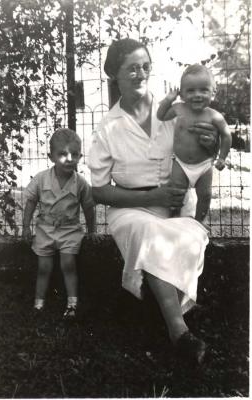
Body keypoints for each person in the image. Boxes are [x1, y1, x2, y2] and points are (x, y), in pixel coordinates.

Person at [88, 38, 218, 364]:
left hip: (174, 202)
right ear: (113, 75)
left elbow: (200, 154)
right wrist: (150, 196)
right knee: (149, 232)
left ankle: (152, 302)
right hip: (130, 208)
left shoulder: (172, 112)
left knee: (187, 232)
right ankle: (179, 332)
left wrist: (210, 141)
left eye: (145, 66)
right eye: (131, 68)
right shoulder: (108, 128)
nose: (140, 73)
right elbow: (99, 191)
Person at [23, 128, 96, 320]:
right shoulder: (41, 179)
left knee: (68, 263)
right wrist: (25, 226)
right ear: (51, 156)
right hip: (45, 229)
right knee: (44, 267)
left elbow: (89, 207)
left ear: (80, 156)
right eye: (62, 154)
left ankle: (72, 304)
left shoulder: (80, 183)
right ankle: (38, 304)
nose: (69, 158)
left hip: (69, 230)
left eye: (74, 154)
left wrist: (92, 231)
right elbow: (30, 201)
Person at [157, 64, 232, 221]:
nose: (197, 95)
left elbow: (226, 135)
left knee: (205, 195)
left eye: (203, 90)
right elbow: (161, 116)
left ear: (213, 92)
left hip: (204, 165)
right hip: (181, 163)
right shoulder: (178, 109)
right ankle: (174, 215)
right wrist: (168, 100)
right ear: (182, 94)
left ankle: (200, 221)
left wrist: (222, 157)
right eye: (190, 91)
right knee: (176, 191)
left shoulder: (215, 116)